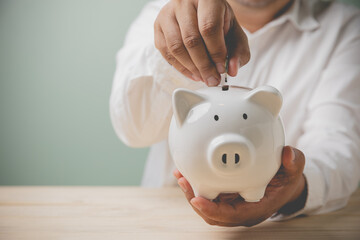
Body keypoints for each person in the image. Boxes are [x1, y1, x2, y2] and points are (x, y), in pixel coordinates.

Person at [110, 0, 360, 226]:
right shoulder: (166, 12)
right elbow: (133, 129)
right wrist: (175, 55)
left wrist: (293, 189)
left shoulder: (346, 26)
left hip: (281, 228)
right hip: (166, 220)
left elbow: (338, 144)